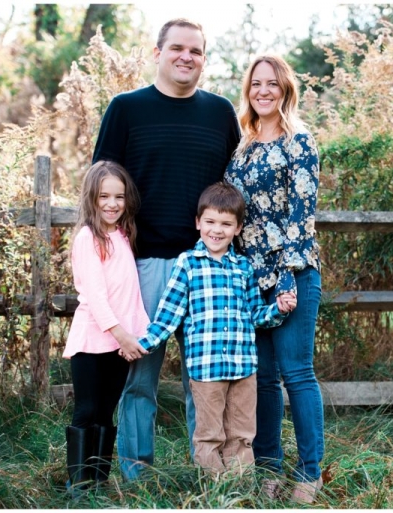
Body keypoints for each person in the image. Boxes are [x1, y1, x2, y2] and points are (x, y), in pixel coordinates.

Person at [91, 18, 241, 480]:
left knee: (207, 381)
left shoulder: (220, 114)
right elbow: (101, 189)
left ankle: (209, 472)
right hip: (144, 265)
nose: (186, 57)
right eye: (177, 48)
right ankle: (137, 476)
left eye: (195, 51)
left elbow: (234, 191)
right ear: (157, 52)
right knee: (139, 376)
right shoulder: (126, 109)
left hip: (209, 267)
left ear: (203, 58)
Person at [130, 182, 296, 477]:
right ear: (198, 223)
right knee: (209, 436)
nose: (216, 230)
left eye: (225, 223)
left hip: (243, 367)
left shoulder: (243, 267)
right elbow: (169, 314)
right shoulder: (188, 264)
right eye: (210, 222)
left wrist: (278, 310)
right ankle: (215, 495)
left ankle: (239, 493)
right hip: (206, 370)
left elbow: (255, 314)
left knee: (242, 435)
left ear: (238, 228)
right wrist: (143, 343)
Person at [224, 54, 324, 504]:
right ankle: (268, 469)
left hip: (293, 274)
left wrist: (286, 276)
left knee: (297, 373)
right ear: (248, 90)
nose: (263, 91)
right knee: (261, 379)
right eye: (256, 84)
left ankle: (309, 471)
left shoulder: (299, 141)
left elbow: (302, 218)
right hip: (250, 278)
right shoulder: (242, 146)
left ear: (285, 89)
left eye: (272, 84)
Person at [62, 161, 149, 493]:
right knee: (87, 409)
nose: (112, 204)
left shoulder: (124, 235)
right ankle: (78, 483)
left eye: (119, 197)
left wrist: (136, 335)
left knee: (107, 412)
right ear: (91, 198)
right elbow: (95, 296)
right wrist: (122, 335)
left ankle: (98, 480)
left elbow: (129, 294)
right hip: (92, 341)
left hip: (119, 345)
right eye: (104, 197)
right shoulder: (88, 237)